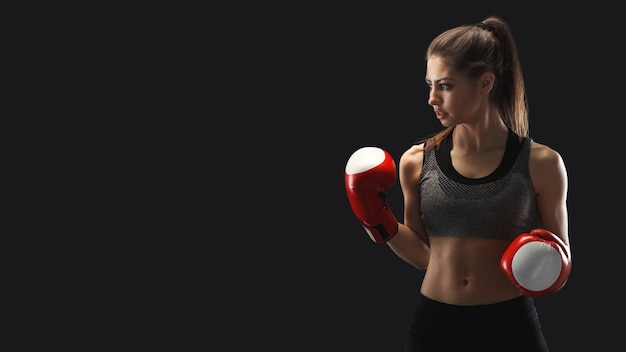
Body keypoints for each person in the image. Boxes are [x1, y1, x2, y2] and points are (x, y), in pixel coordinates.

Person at [344, 16, 571, 351]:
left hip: (509, 324)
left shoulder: (542, 163)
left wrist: (544, 264)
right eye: (429, 85)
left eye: (445, 86)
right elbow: (423, 255)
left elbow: (560, 258)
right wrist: (374, 218)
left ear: (485, 83)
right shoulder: (416, 161)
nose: (432, 98)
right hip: (435, 324)